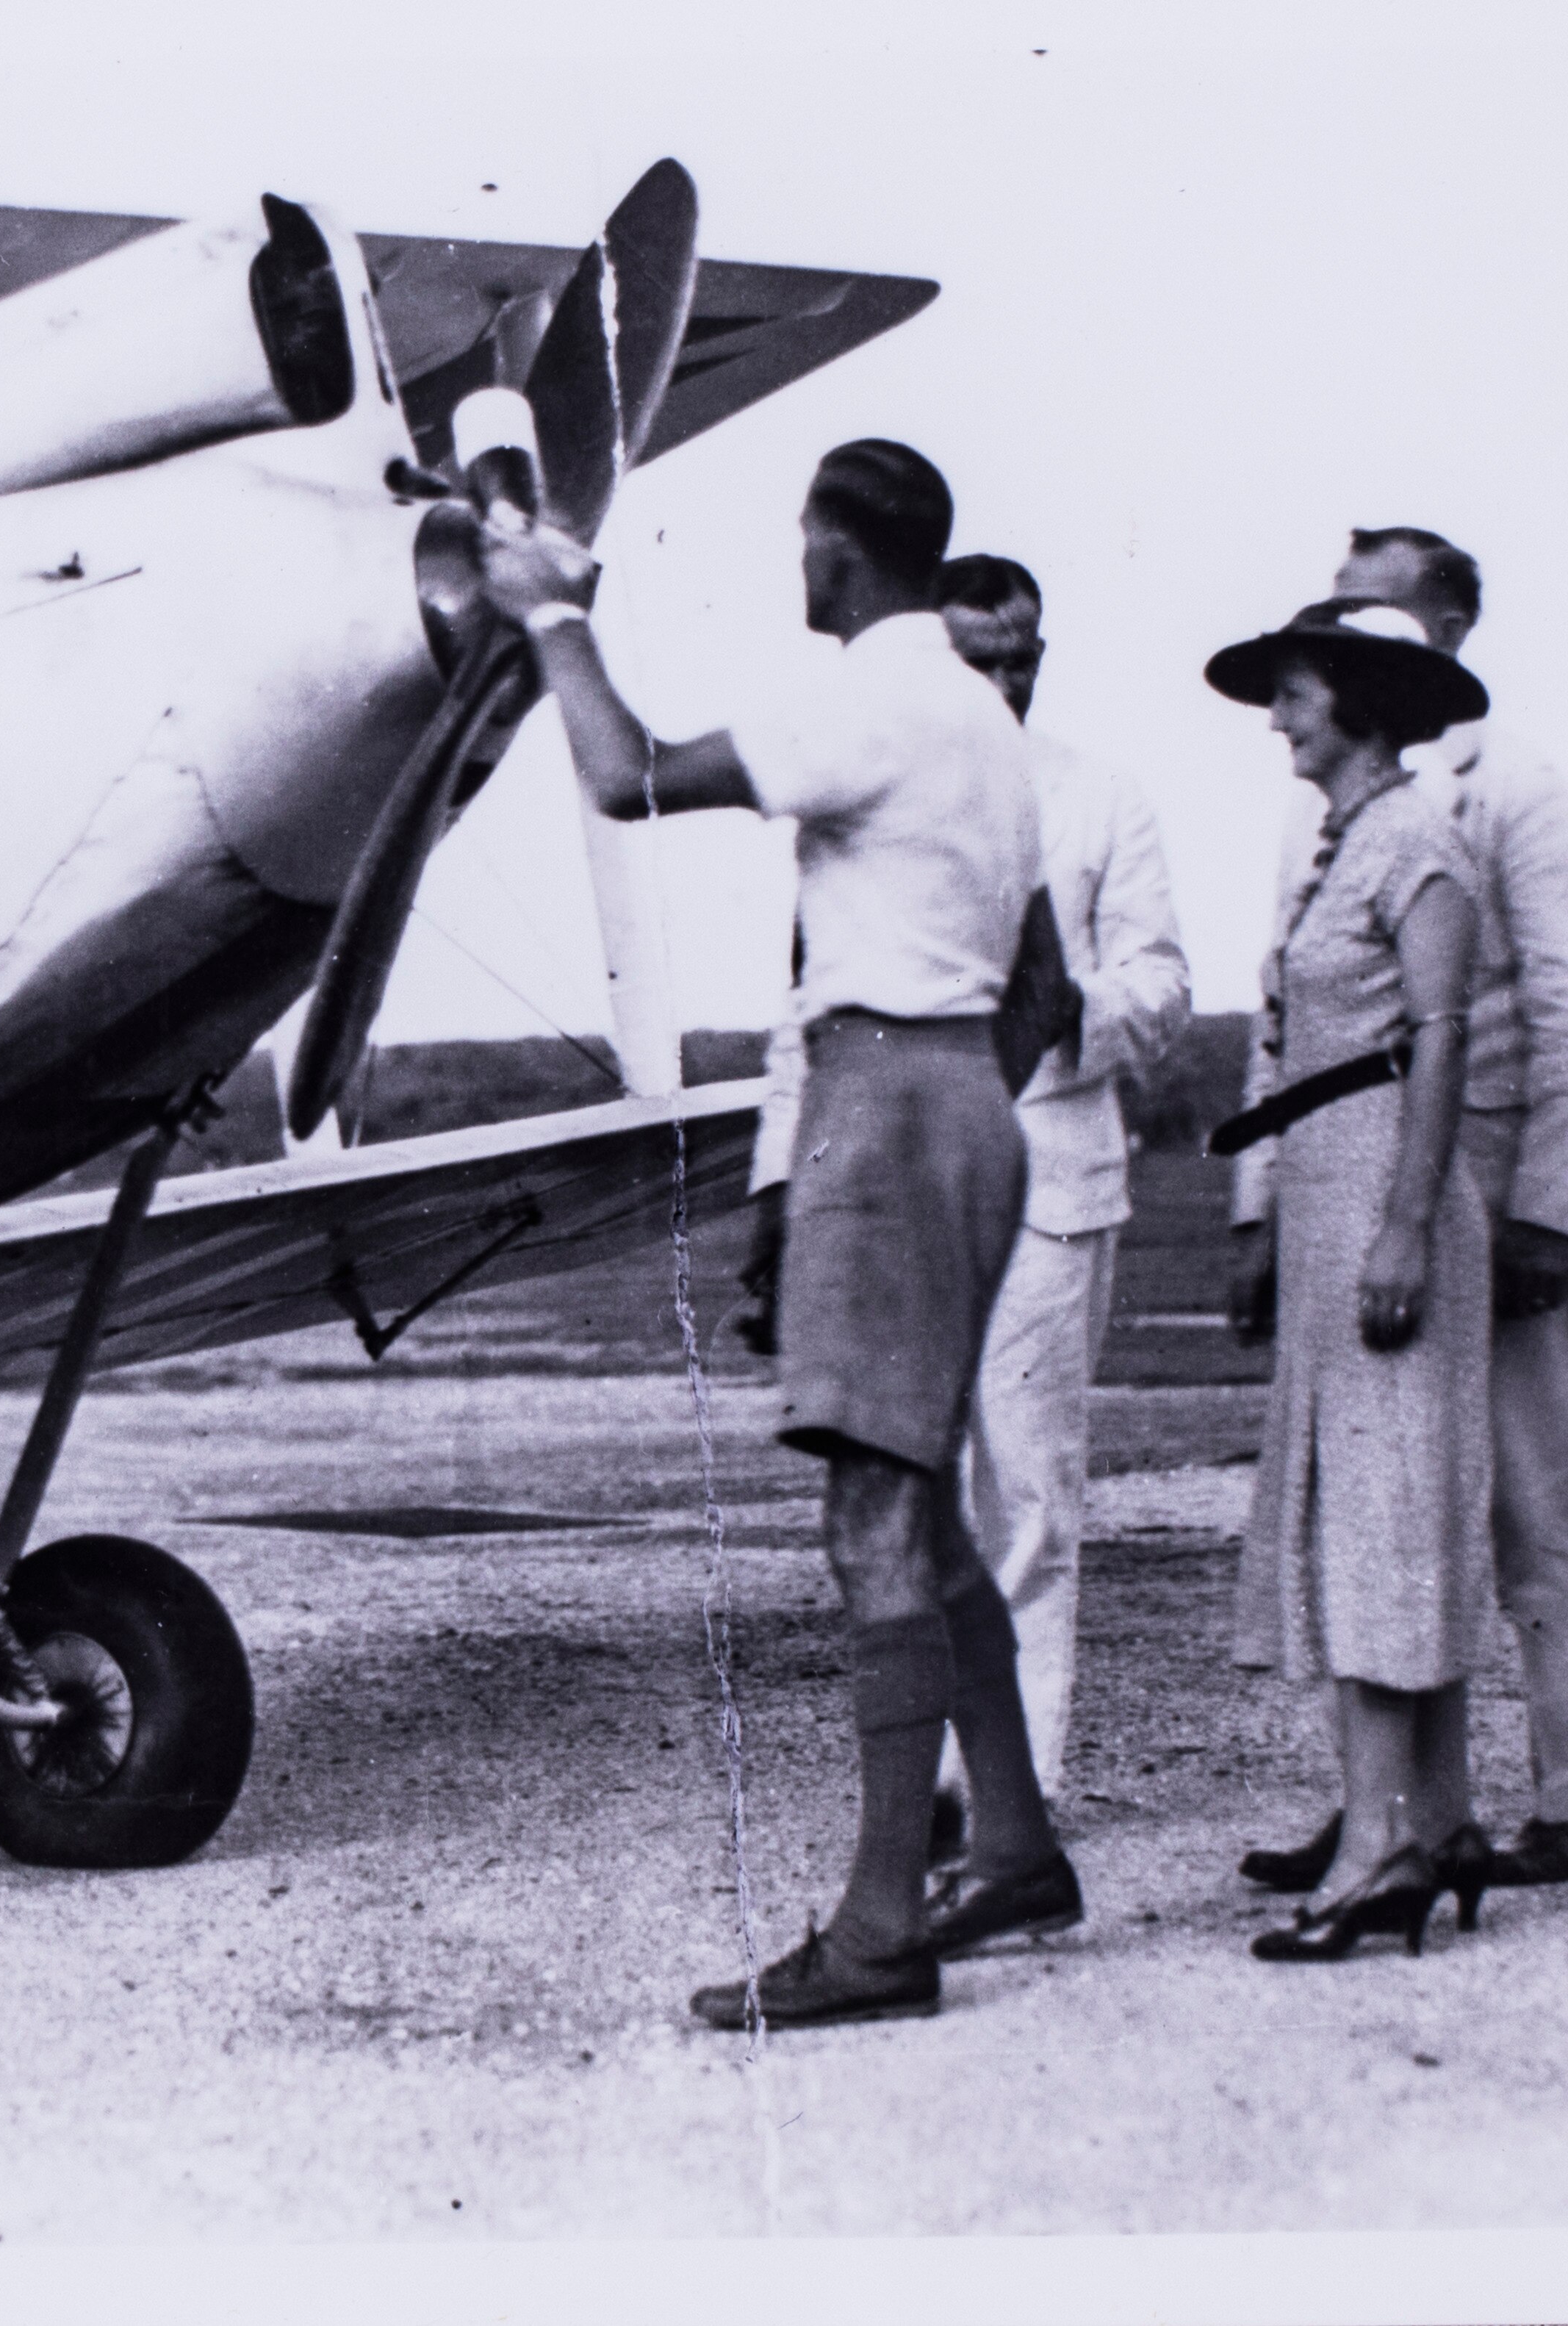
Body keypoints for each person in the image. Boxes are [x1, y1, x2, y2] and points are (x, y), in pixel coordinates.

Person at [476, 439, 1073, 2028]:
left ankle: (881, 1932)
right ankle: (1008, 1842)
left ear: (836, 553)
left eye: (804, 544)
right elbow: (1049, 994)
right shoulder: (980, 718)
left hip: (887, 1096)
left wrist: (551, 617)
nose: (795, 569)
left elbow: (627, 773)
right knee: (919, 1509)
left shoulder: (874, 689)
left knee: (871, 1525)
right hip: (954, 1099)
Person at [1233, 527, 1568, 1903]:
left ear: (1450, 624)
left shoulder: (1515, 792)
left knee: (1531, 1504)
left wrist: (1554, 1205)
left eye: (1376, 609)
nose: (1344, 628)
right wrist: (1260, 1209)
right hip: (1352, 1182)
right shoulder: (1333, 810)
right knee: (1386, 1503)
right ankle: (1407, 1807)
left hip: (1480, 1192)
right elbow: (1290, 1015)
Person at [1201, 597, 1496, 1960]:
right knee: (1378, 1505)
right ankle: (1434, 1818)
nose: (1275, 718)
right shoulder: (1350, 842)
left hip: (1387, 1183)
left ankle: (1380, 1846)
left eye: (1297, 692)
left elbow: (1440, 1041)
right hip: (1331, 1188)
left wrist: (1406, 1228)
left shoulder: (1420, 840)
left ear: (1361, 703)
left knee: (1386, 1515)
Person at [918, 557, 1190, 1838]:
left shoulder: (1099, 800)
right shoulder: (889, 794)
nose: (1004, 682)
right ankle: (927, 1770)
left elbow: (1164, 984)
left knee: (1028, 1486)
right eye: (979, 658)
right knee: (917, 1484)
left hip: (1050, 1175)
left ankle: (1009, 1788)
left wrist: (1068, 1009)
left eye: (1023, 657)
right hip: (915, 1183)